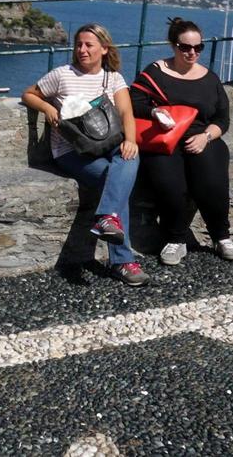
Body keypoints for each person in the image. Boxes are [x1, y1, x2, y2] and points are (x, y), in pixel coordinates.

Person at [22, 24, 145, 285]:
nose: (82, 50)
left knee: (130, 156)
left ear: (104, 49)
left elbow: (126, 114)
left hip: (108, 141)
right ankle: (122, 261)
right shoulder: (62, 75)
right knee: (115, 182)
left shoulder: (113, 78)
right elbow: (28, 94)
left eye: (89, 45)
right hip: (71, 149)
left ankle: (107, 222)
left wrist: (131, 140)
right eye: (79, 44)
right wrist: (46, 107)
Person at [129, 18, 233, 265]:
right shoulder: (155, 72)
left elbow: (222, 119)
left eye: (198, 48)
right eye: (185, 47)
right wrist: (154, 112)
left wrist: (205, 137)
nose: (192, 53)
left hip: (202, 137)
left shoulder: (210, 78)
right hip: (164, 139)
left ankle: (221, 236)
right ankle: (175, 239)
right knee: (170, 185)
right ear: (173, 46)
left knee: (212, 182)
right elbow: (133, 101)